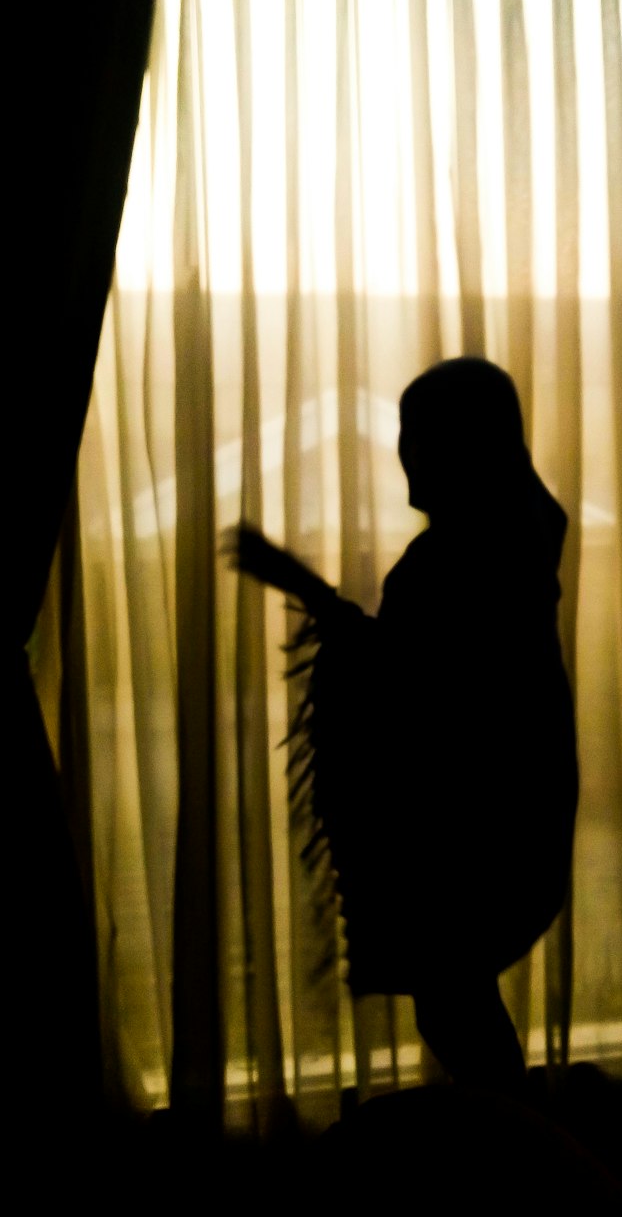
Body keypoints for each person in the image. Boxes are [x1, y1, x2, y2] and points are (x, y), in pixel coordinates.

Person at [224, 357, 578, 1091]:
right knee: (457, 1001)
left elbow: (417, 680)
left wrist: (306, 590)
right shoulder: (518, 536)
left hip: (478, 826)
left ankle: (536, 1155)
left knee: (453, 1005)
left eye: (418, 433)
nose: (404, 451)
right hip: (515, 808)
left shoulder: (460, 558)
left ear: (461, 445)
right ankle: (529, 1147)